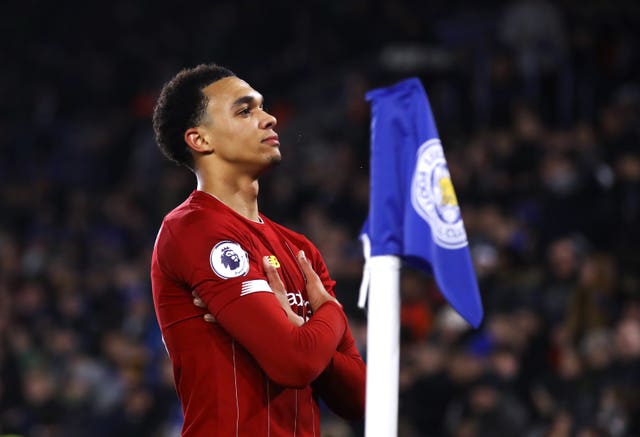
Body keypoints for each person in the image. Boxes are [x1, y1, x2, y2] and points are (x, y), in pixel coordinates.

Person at [150, 63, 366, 436]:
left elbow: (360, 399)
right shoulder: (193, 229)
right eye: (245, 110)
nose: (268, 119)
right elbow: (293, 362)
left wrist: (305, 335)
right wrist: (329, 312)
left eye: (263, 107)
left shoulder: (300, 250)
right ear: (200, 140)